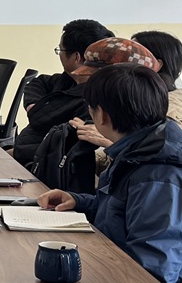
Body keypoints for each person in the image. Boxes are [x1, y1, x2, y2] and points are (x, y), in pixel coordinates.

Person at [36, 63, 182, 283]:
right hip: (116, 275)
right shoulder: (140, 151)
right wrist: (78, 201)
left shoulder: (161, 180)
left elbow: (152, 275)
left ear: (102, 115)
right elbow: (126, 211)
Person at [27, 36, 157, 193]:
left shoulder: (158, 165)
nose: (85, 83)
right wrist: (78, 201)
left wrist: (112, 144)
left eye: (94, 78)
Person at [10, 18, 113, 165]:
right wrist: (33, 104)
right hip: (24, 154)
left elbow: (60, 149)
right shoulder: (67, 80)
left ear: (76, 57)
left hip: (41, 164)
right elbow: (39, 82)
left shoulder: (92, 100)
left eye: (60, 50)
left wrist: (9, 155)